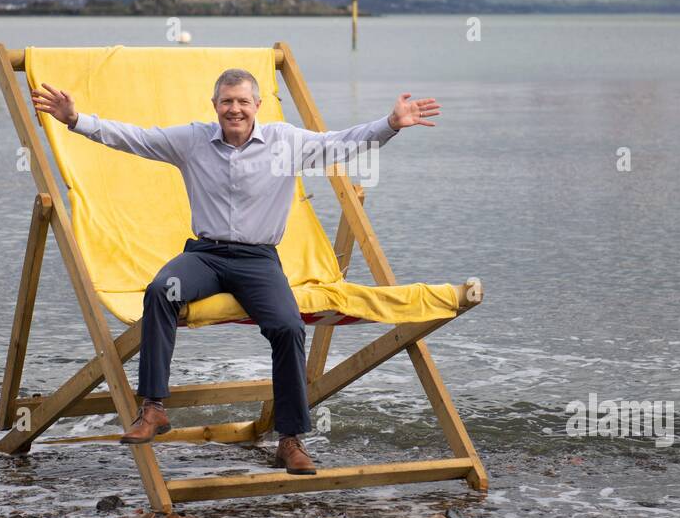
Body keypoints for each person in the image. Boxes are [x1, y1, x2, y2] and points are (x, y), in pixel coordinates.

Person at [31, 68, 440, 474]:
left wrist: (390, 125)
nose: (235, 109)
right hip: (204, 256)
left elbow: (340, 145)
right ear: (215, 106)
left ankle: (290, 439)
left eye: (243, 101)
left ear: (257, 106)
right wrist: (75, 120)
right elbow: (136, 138)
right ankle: (153, 407)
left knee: (288, 327)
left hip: (258, 261)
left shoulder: (285, 141)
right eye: (227, 101)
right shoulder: (193, 140)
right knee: (162, 290)